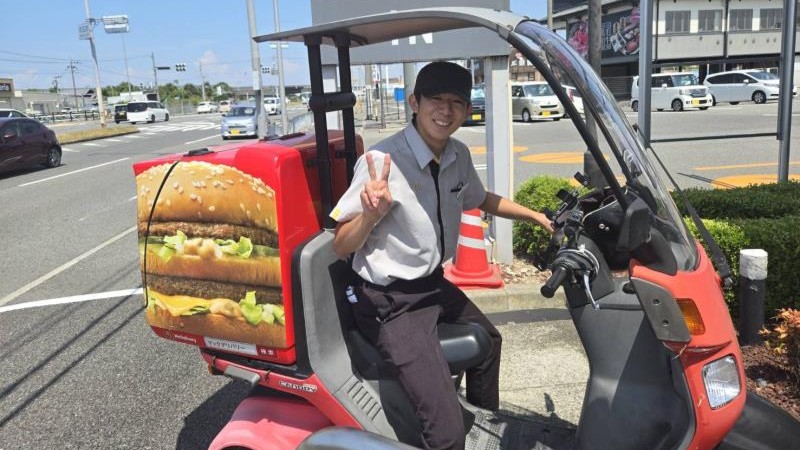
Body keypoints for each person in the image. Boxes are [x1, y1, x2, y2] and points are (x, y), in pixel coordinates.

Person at [329, 61, 553, 450]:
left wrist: (535, 215)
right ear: (415, 102)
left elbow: (479, 198)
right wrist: (369, 214)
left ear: (468, 110)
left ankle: (485, 425)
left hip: (432, 285)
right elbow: (341, 244)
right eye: (435, 99)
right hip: (392, 302)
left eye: (457, 102)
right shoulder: (382, 163)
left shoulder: (458, 154)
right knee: (446, 435)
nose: (445, 111)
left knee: (489, 341)